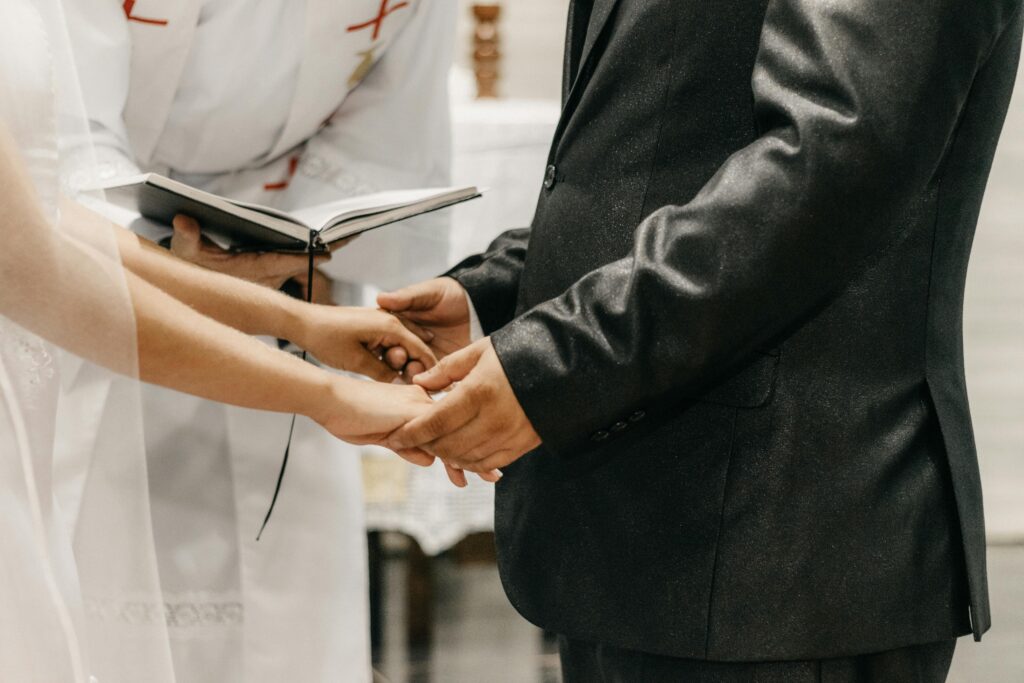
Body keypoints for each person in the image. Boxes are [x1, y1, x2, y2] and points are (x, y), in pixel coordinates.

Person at [378, 0, 1024, 680]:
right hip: (645, 538)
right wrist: (500, 295)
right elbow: (663, 151)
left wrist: (561, 358)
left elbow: (828, 167)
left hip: (778, 550)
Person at [0, 1, 440, 678]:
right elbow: (43, 251)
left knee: (291, 612)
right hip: (93, 287)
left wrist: (300, 312)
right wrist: (319, 383)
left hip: (270, 265)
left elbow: (53, 230)